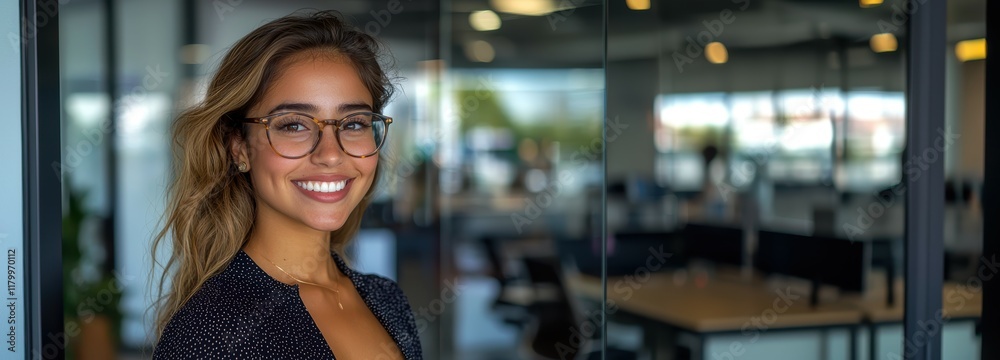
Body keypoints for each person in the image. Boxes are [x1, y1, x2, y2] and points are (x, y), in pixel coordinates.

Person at [151, 10, 421, 359]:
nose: (330, 154)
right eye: (293, 125)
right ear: (239, 148)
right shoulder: (213, 331)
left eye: (353, 124)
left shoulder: (388, 300)